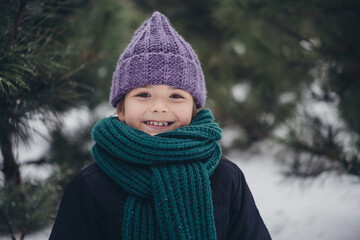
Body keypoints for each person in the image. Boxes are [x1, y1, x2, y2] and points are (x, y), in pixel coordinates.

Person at [49, 11, 271, 240]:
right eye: (144, 94)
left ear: (194, 109)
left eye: (176, 96)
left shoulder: (225, 178)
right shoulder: (91, 186)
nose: (159, 107)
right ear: (121, 109)